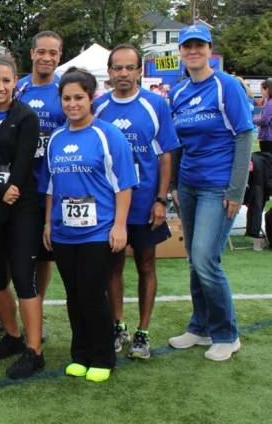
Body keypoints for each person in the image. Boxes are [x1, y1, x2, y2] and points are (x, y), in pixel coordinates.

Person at [42, 67, 137, 383]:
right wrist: (47, 225)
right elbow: (51, 187)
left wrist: (120, 225)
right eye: (66, 98)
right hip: (65, 233)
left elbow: (124, 184)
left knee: (94, 294)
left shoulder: (108, 135)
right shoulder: (56, 138)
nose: (72, 104)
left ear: (91, 97)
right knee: (73, 295)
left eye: (78, 97)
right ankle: (80, 354)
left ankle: (103, 357)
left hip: (99, 232)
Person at [168, 25, 255, 361]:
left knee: (206, 259)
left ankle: (226, 333)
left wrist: (236, 190)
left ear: (209, 50)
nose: (193, 51)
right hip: (188, 185)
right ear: (180, 52)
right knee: (195, 260)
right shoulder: (178, 92)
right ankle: (200, 326)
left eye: (199, 45)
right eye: (187, 46)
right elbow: (176, 144)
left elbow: (244, 137)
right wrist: (175, 184)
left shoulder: (227, 86)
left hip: (218, 186)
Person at [95, 44, 180, 359]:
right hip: (110, 204)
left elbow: (166, 155)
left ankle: (142, 333)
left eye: (129, 67)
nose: (123, 74)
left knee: (146, 263)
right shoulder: (99, 106)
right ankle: (118, 326)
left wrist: (161, 199)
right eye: (117, 68)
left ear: (139, 71)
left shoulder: (155, 104)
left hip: (145, 201)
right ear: (110, 72)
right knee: (112, 266)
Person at [0, 30, 66, 343]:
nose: (47, 57)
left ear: (59, 56)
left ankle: (36, 312)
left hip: (47, 185)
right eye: (42, 52)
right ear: (32, 54)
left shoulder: (65, 90)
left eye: (54, 53)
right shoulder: (16, 88)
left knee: (41, 257)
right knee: (10, 254)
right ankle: (4, 314)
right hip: (13, 185)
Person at [0, 55, 45, 379]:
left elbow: (21, 167)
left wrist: (3, 208)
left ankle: (35, 351)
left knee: (23, 276)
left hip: (21, 208)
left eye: (6, 80)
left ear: (15, 81)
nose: (0, 86)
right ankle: (13, 337)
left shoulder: (26, 117)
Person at [255, 78, 272, 154]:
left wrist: (253, 119)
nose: (260, 92)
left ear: (267, 89)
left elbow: (264, 121)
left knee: (267, 161)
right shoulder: (268, 102)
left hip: (268, 138)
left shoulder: (270, 103)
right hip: (268, 137)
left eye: (261, 89)